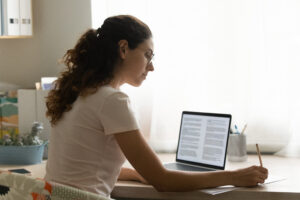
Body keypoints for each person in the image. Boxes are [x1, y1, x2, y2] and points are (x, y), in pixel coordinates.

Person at [45, 15, 268, 197]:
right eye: (147, 55)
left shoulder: (79, 93)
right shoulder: (112, 101)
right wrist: (234, 177)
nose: (150, 67)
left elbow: (84, 169)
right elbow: (163, 181)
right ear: (123, 49)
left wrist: (140, 174)